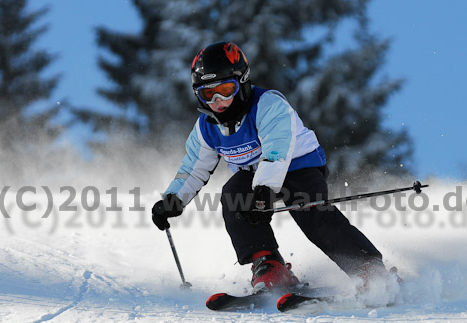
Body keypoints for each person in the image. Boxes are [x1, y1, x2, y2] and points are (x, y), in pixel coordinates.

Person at [152, 41, 393, 293]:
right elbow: (193, 168)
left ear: (243, 82)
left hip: (299, 166)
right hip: (255, 178)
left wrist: (265, 189)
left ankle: (368, 268)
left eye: (225, 89)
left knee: (311, 212)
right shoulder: (206, 128)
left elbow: (277, 150)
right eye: (208, 94)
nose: (219, 101)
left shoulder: (267, 105)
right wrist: (172, 200)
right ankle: (268, 264)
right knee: (234, 196)